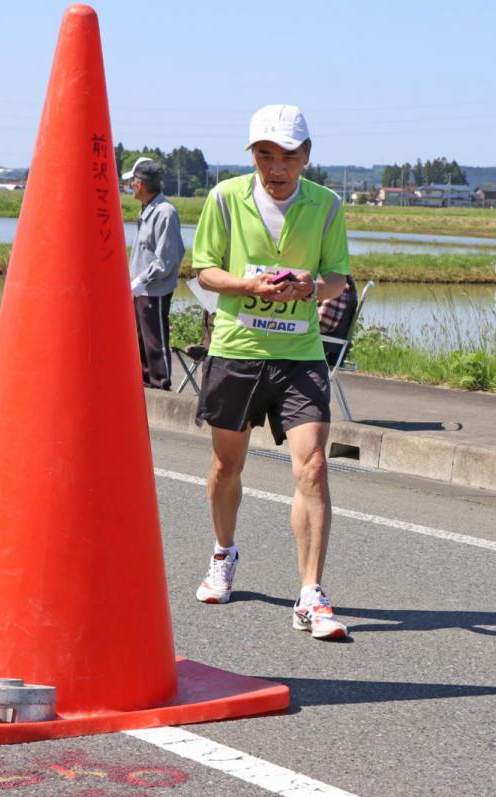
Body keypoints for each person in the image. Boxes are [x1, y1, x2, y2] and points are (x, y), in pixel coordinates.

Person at [190, 104, 351, 640]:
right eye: (264, 155)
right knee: (226, 465)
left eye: (287, 156)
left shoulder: (326, 205)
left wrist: (311, 289)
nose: (275, 167)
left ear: (307, 155)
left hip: (299, 353)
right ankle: (223, 553)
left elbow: (338, 278)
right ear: (252, 155)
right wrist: (248, 285)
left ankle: (311, 594)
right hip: (236, 348)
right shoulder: (225, 198)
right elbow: (204, 270)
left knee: (314, 467)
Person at [123, 157, 184, 390]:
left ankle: (160, 384)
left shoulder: (165, 212)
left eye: (132, 182)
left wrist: (142, 279)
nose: (130, 186)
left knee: (154, 340)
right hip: (141, 288)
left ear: (140, 184)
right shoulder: (148, 209)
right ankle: (145, 383)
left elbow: (167, 258)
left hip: (154, 289)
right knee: (140, 338)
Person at [318, 274, 358, 365]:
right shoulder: (341, 282)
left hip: (328, 350)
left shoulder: (338, 287)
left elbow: (323, 326)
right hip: (333, 348)